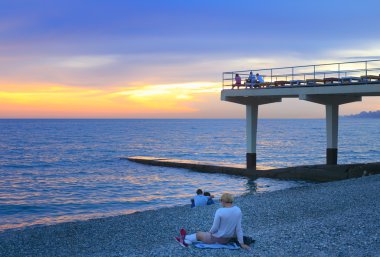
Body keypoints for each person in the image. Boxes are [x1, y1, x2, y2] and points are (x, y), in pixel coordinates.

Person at [177, 193, 251, 250]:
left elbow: (215, 228)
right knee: (202, 235)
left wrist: (209, 233)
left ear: (223, 201)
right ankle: (187, 240)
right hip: (228, 239)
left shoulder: (220, 211)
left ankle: (184, 238)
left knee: (199, 234)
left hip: (218, 238)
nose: (220, 202)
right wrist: (241, 243)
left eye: (220, 200)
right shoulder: (238, 210)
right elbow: (239, 229)